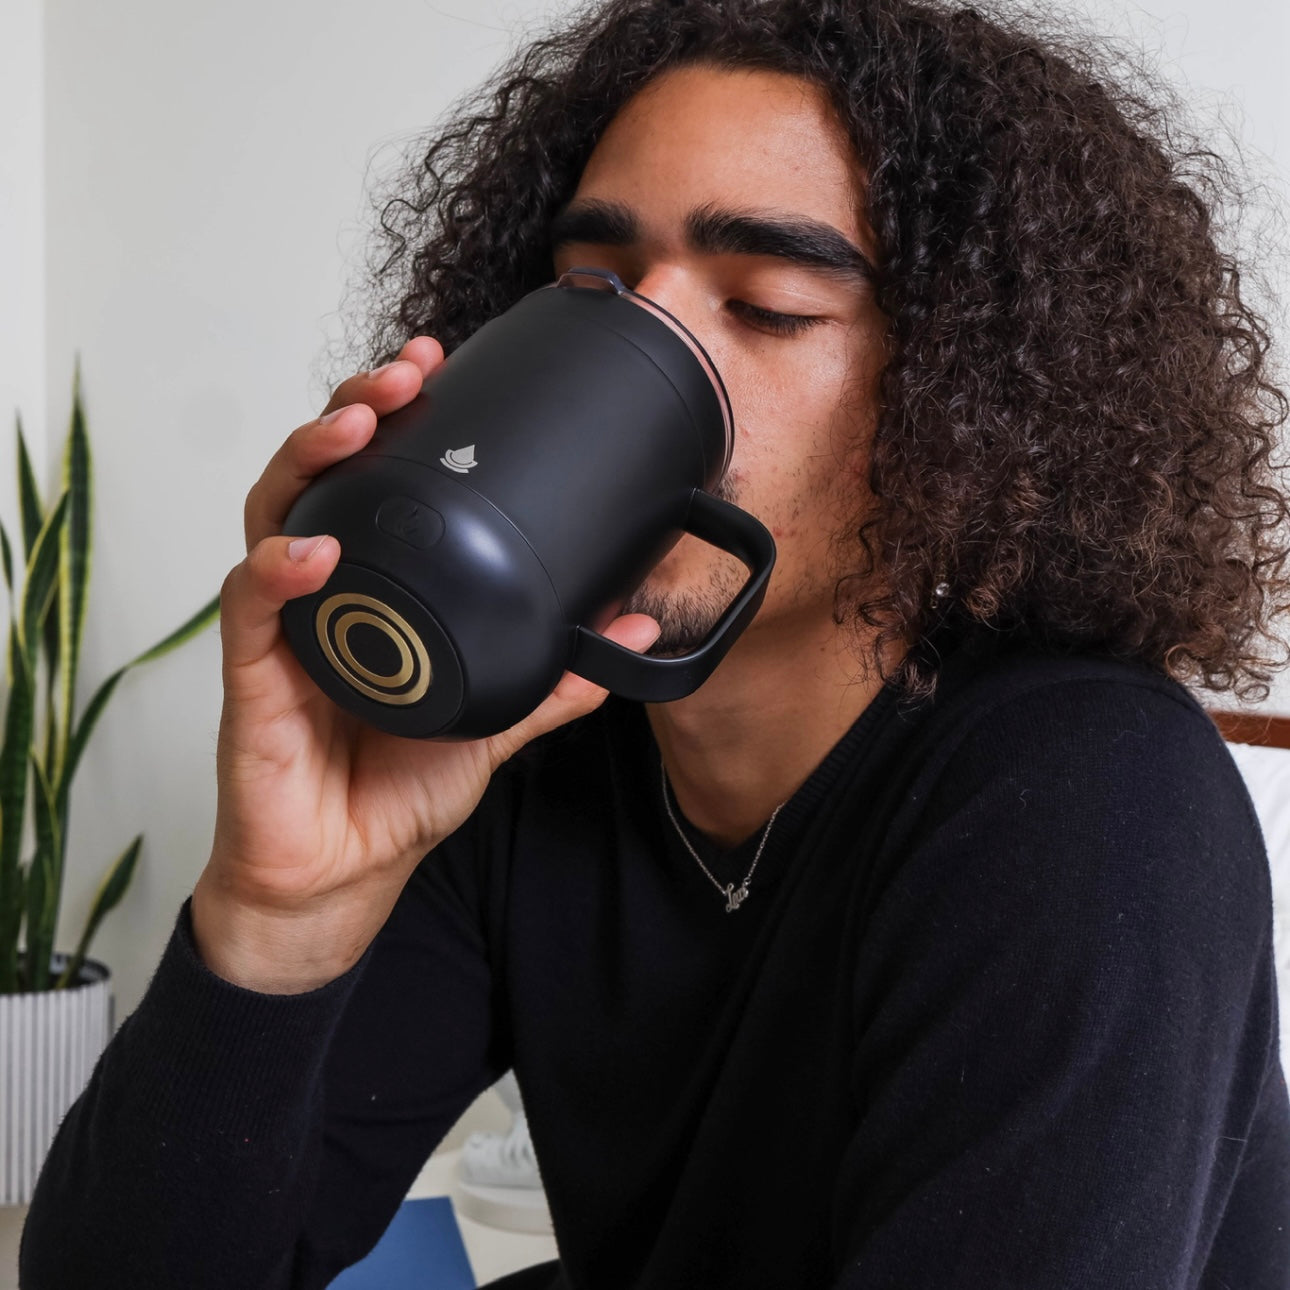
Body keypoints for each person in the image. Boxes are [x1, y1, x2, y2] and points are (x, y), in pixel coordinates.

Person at [20, 0, 1290, 1285]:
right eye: (595, 286)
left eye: (772, 304)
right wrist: (278, 911)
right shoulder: (517, 758)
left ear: (968, 398)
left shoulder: (1091, 804)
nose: (651, 342)